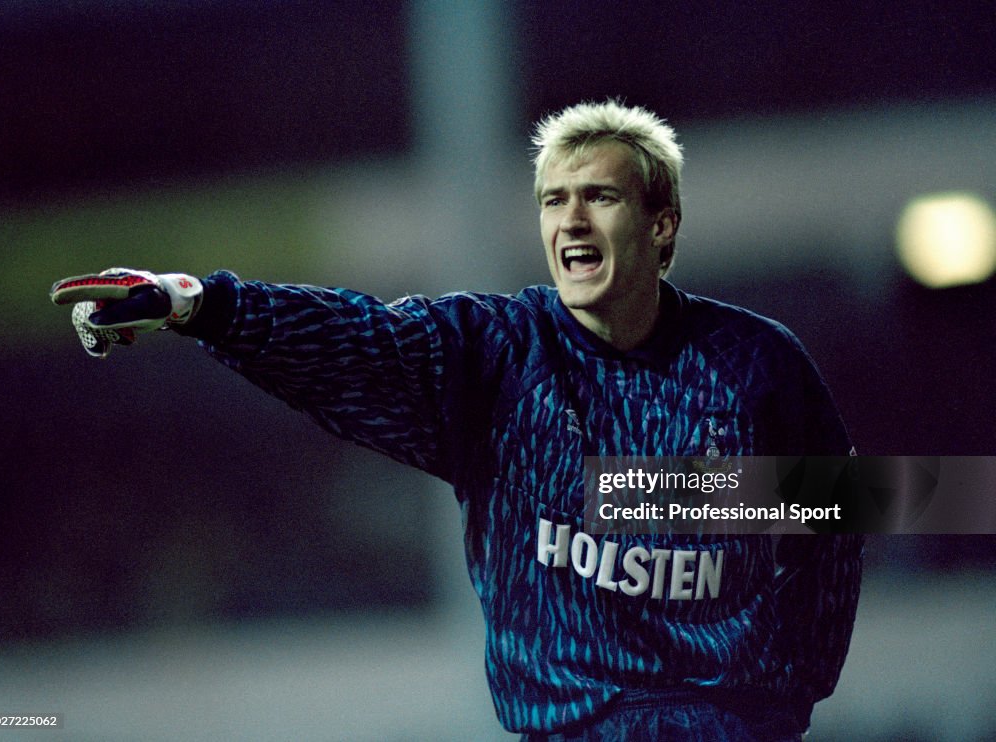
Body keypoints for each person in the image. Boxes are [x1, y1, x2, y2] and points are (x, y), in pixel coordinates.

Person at [51, 100, 863, 741]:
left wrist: (775, 703)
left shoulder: (757, 365)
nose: (571, 221)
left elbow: (845, 521)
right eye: (554, 200)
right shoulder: (501, 353)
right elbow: (357, 338)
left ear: (661, 224)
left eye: (600, 197)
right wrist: (198, 304)